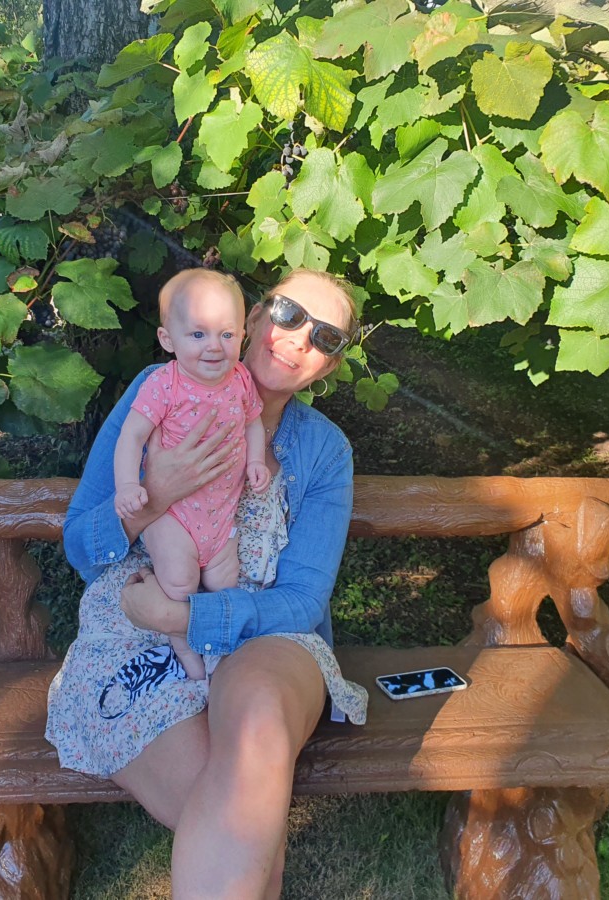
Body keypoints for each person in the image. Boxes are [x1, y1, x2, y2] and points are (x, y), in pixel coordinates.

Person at [47, 268, 368, 899]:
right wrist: (152, 495)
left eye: (326, 337)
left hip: (265, 637)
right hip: (135, 635)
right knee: (243, 814)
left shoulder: (325, 452)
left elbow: (301, 602)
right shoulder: (157, 391)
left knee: (255, 741)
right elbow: (82, 546)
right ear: (252, 319)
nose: (301, 339)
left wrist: (183, 619)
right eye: (288, 314)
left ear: (329, 367)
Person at [113, 269, 271, 679]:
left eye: (226, 334)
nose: (214, 347)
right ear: (168, 340)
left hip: (220, 517)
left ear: (242, 335)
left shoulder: (240, 380)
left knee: (225, 581)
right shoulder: (164, 385)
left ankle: (220, 651)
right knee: (180, 584)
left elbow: (254, 422)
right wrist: (130, 485)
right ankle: (183, 646)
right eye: (197, 335)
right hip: (174, 516)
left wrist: (256, 461)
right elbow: (131, 438)